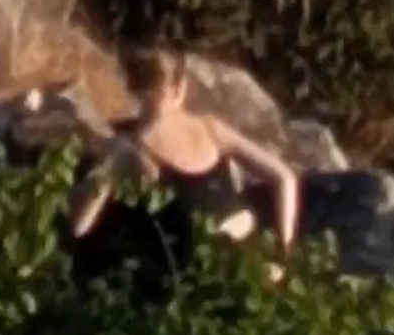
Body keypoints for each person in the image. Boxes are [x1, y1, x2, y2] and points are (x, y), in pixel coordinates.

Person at [66, 42, 303, 264]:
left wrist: (283, 253)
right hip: (210, 267)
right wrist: (284, 251)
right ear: (180, 87)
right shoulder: (134, 147)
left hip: (240, 262)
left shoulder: (206, 129)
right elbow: (79, 226)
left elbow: (284, 178)